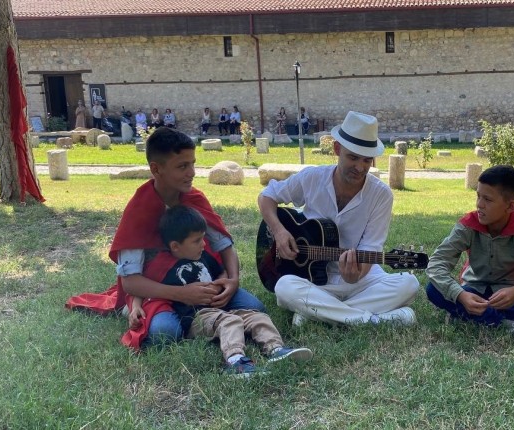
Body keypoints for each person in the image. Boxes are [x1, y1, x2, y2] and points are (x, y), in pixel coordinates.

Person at [66, 127, 266, 349]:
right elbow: (130, 281)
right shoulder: (138, 211)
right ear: (156, 169)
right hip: (158, 290)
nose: (191, 172)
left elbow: (225, 246)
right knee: (166, 334)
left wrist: (232, 279)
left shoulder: (195, 199)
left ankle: (209, 318)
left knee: (256, 307)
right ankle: (200, 320)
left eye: (192, 163)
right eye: (182, 166)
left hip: (201, 280)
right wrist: (183, 294)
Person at [258, 111, 419, 326]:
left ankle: (318, 314)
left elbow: (371, 247)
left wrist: (355, 275)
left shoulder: (381, 195)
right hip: (312, 280)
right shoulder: (312, 177)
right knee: (284, 287)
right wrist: (279, 231)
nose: (360, 167)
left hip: (359, 280)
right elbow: (266, 197)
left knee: (409, 283)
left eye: (366, 160)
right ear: (337, 149)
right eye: (353, 157)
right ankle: (371, 319)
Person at [128, 205, 313, 376]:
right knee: (230, 321)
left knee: (257, 316)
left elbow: (221, 271)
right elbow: (143, 288)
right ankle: (235, 360)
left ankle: (275, 349)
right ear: (175, 246)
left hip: (221, 309)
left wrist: (224, 284)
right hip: (195, 319)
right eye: (197, 240)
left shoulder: (202, 256)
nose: (203, 244)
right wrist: (136, 306)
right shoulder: (161, 266)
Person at [425, 165, 514, 337]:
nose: (479, 204)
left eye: (487, 199)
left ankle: (465, 316)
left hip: (512, 298)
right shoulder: (468, 226)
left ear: (510, 206)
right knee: (433, 289)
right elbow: (436, 264)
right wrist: (461, 295)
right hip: (474, 292)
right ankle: (508, 325)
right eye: (478, 196)